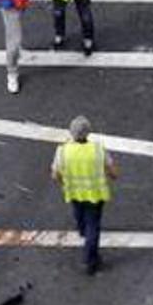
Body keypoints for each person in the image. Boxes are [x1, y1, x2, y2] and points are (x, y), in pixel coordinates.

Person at [51, 115, 119, 275]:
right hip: (95, 194)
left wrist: (64, 184)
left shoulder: (63, 151)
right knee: (93, 226)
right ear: (88, 132)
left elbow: (55, 175)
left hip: (74, 192)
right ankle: (90, 260)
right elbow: (113, 172)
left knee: (79, 216)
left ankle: (83, 231)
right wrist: (112, 175)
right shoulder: (97, 149)